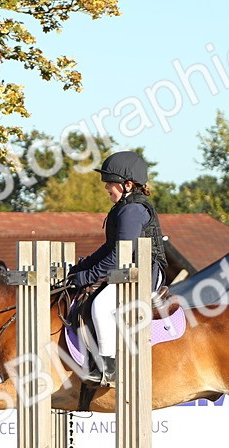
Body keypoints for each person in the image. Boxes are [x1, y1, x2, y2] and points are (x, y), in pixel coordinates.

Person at [68, 150, 169, 384]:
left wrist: (87, 276)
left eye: (110, 182)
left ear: (128, 185)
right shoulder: (124, 206)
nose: (106, 187)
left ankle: (109, 367)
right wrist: (81, 268)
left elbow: (116, 257)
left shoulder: (132, 210)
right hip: (128, 271)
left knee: (102, 305)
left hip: (144, 273)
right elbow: (109, 248)